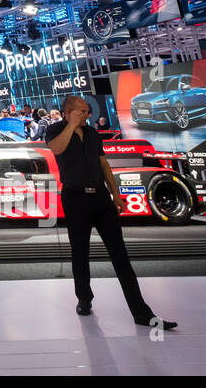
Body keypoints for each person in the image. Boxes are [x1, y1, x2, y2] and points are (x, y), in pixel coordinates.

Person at [46, 96, 175, 329]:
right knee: (80, 253)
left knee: (120, 255)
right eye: (82, 112)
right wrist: (71, 126)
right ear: (68, 111)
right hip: (74, 198)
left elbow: (103, 163)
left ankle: (141, 313)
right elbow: (56, 149)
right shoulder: (55, 130)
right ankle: (84, 299)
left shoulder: (93, 134)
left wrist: (115, 193)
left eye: (87, 111)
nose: (87, 115)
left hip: (100, 197)